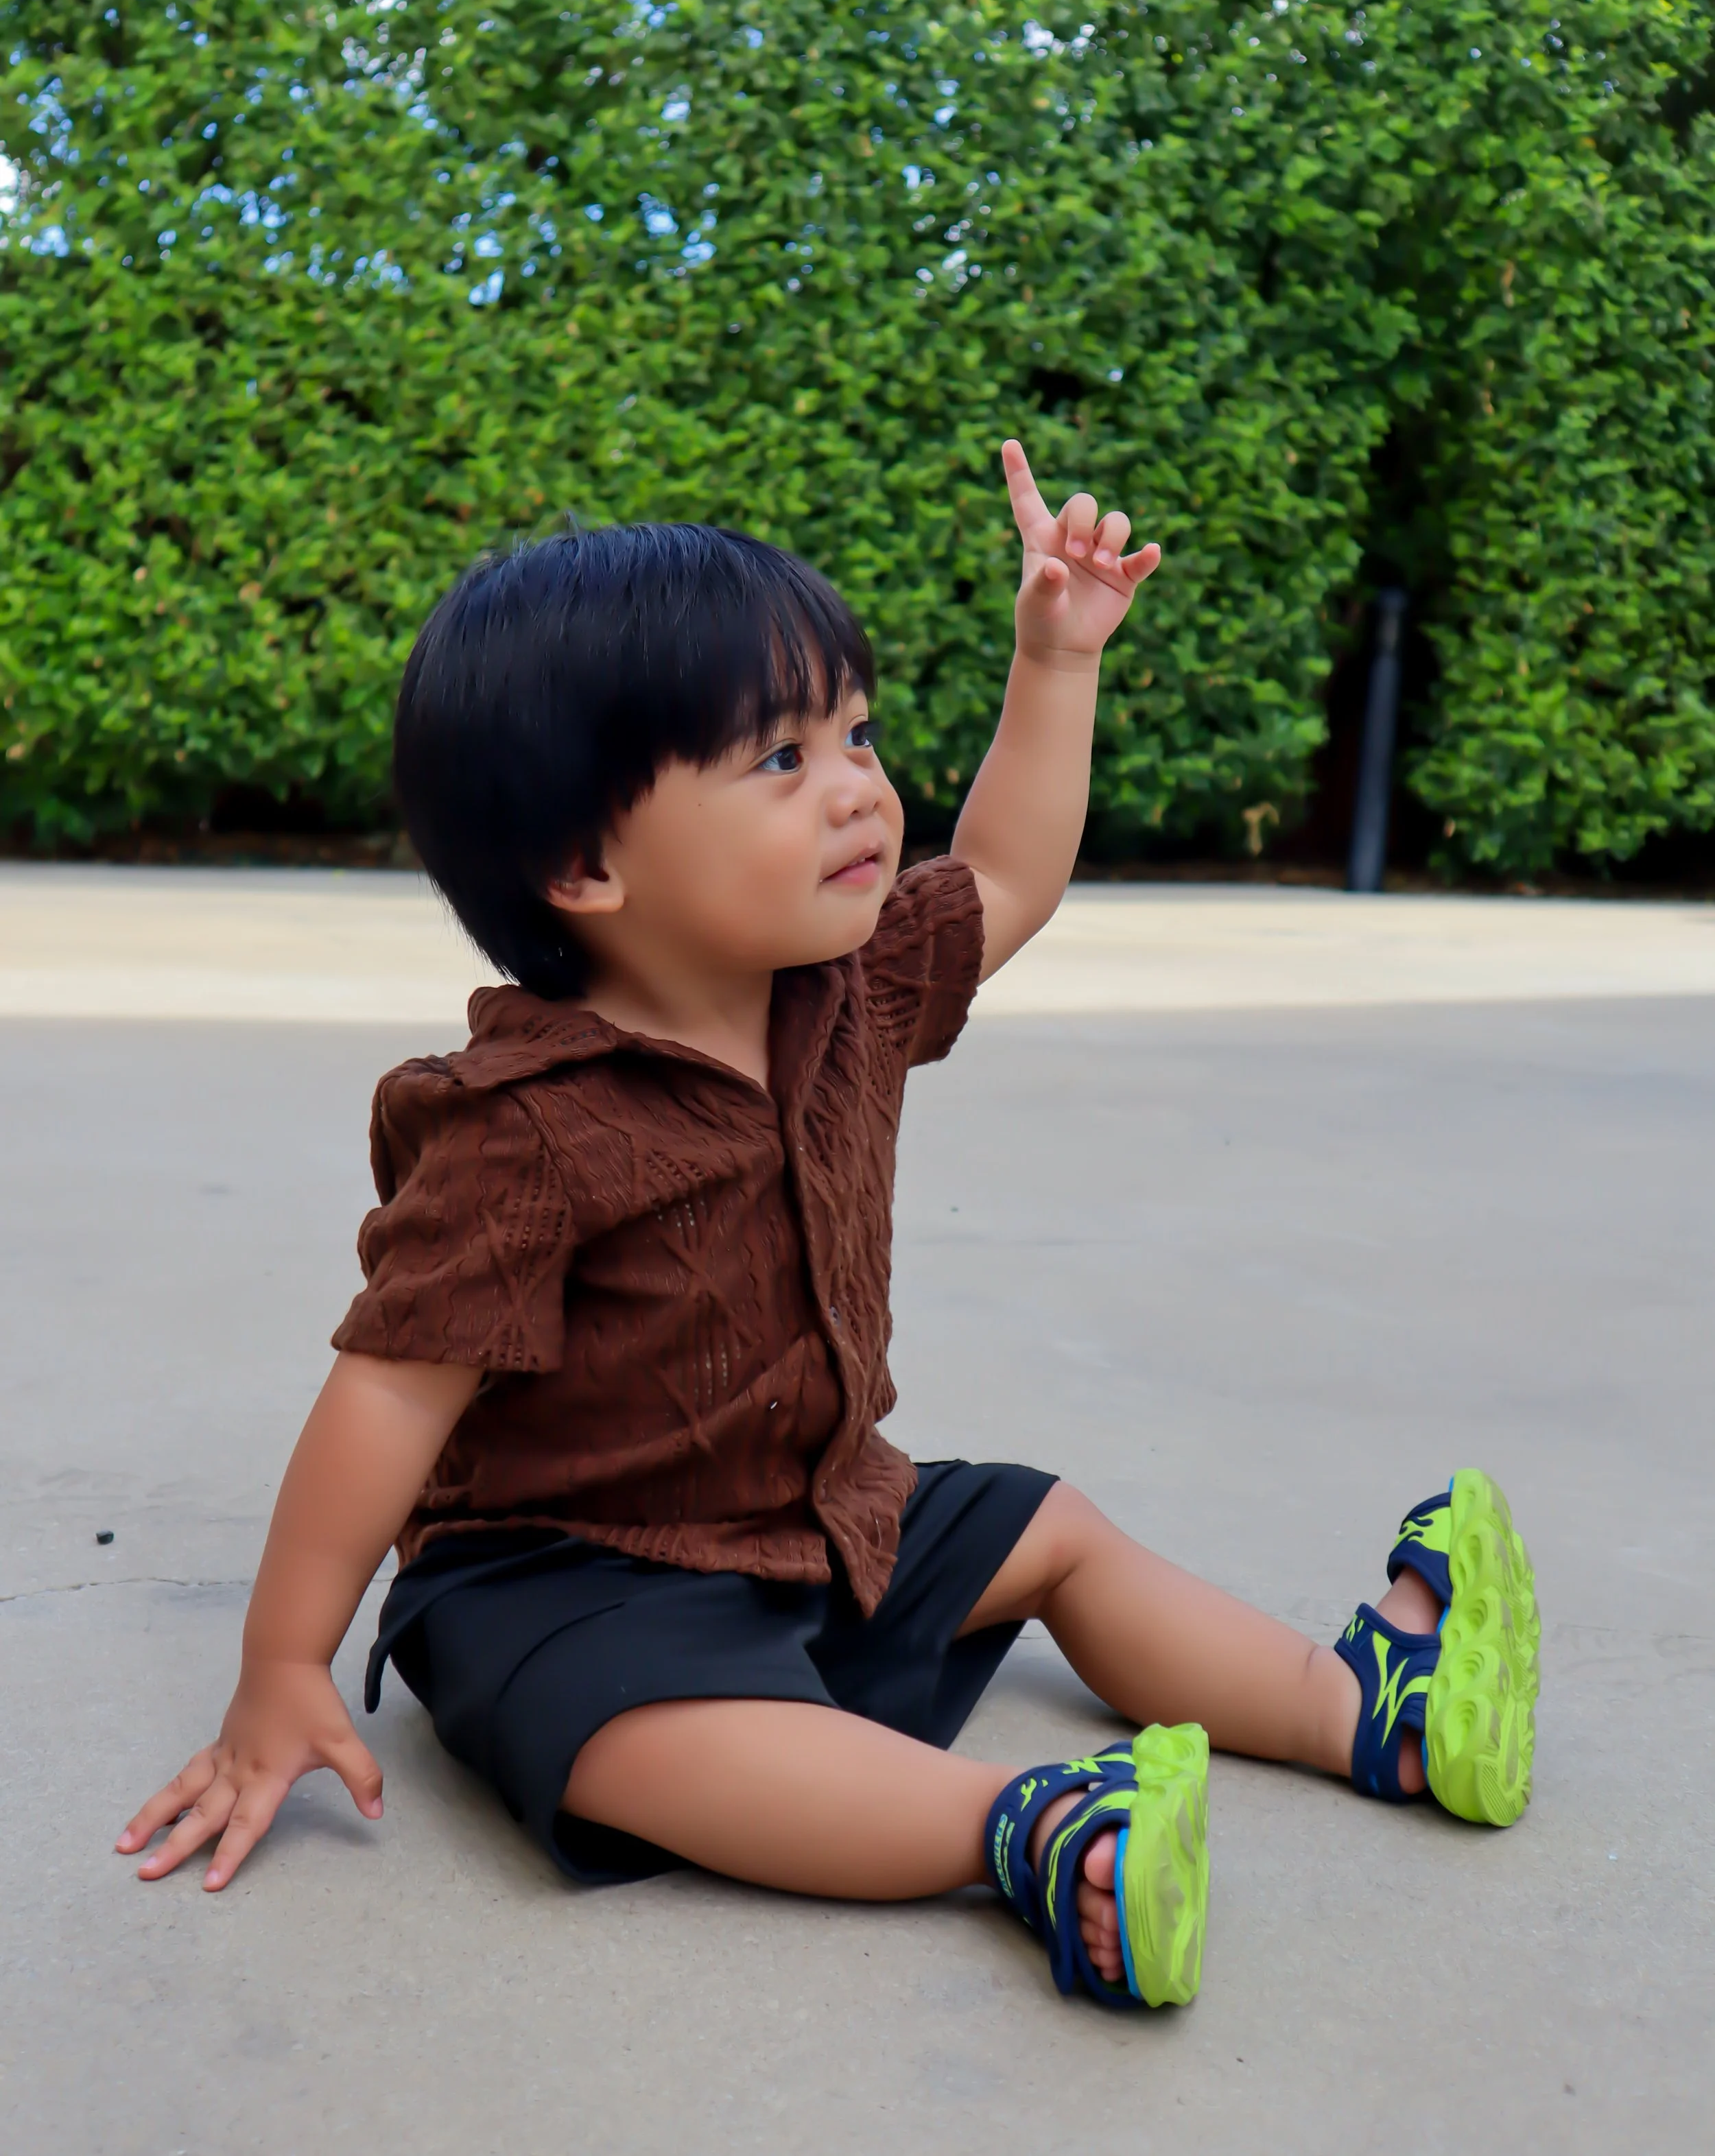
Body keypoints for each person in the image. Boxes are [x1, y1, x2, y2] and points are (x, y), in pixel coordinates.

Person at [117, 443, 1540, 2007]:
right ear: (587, 865)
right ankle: (1032, 1838)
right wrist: (280, 1665)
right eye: (779, 760)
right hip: (567, 1576)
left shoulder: (846, 991)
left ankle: (1364, 1710)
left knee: (1046, 1524)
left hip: (813, 1517)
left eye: (853, 731)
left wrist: (1052, 660)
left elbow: (1003, 873)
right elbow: (390, 1390)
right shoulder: (518, 1124)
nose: (859, 783)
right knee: (632, 1732)